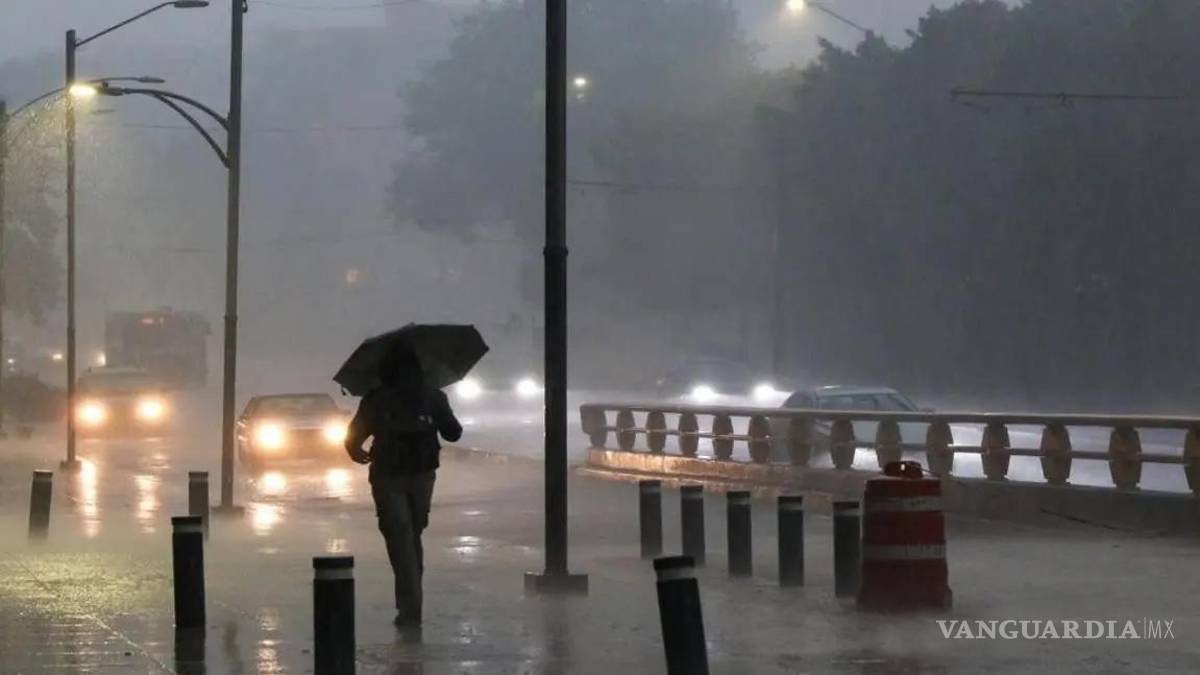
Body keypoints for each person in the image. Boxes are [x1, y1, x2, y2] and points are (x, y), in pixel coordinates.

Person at [344, 346, 462, 628]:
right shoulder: (433, 395)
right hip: (422, 473)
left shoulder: (376, 398)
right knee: (412, 534)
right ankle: (411, 601)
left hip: (387, 474)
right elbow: (453, 433)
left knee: (400, 536)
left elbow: (354, 436)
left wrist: (356, 451)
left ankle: (410, 604)